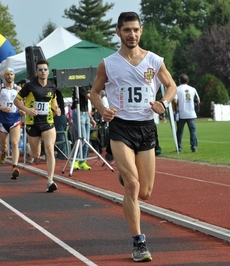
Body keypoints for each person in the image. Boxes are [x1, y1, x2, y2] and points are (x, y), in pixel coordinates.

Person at [89, 12, 177, 262]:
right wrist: (103, 109)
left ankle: (126, 175)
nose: (132, 34)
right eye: (127, 30)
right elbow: (94, 93)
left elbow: (171, 86)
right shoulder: (108, 63)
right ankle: (139, 242)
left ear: (141, 31)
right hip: (120, 128)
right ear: (118, 31)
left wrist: (164, 102)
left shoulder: (154, 60)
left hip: (147, 127)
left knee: (146, 192)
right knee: (133, 185)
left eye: (136, 30)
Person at [14, 59, 61, 192]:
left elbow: (53, 102)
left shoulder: (52, 86)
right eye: (40, 70)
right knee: (36, 155)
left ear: (48, 71)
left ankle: (50, 180)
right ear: (36, 72)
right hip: (32, 123)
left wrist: (57, 109)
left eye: (45, 69)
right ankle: (31, 150)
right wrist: (27, 110)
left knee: (50, 149)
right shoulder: (30, 86)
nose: (43, 72)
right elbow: (16, 100)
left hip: (48, 123)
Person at [0, 68, 23, 179]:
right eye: (7, 74)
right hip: (2, 120)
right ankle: (3, 152)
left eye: (11, 74)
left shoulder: (18, 89)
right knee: (4, 145)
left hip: (15, 119)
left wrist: (22, 110)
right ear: (4, 76)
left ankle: (14, 167)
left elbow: (22, 104)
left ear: (14, 76)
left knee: (15, 143)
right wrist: (2, 108)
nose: (9, 76)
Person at [71, 85, 96, 170]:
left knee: (87, 140)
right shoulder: (79, 86)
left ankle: (83, 161)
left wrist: (91, 118)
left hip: (85, 114)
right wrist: (95, 94)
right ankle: (75, 160)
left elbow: (87, 105)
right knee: (82, 139)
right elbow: (89, 96)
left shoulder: (84, 87)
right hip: (79, 113)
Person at [172, 73, 200, 153]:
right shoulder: (193, 89)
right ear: (187, 80)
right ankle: (194, 146)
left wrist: (177, 105)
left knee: (179, 131)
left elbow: (175, 101)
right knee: (193, 131)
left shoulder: (177, 89)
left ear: (179, 80)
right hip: (191, 113)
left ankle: (179, 147)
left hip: (181, 114)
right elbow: (198, 100)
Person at [54, 87, 68, 159]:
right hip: (63, 116)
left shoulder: (55, 93)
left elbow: (56, 106)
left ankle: (62, 154)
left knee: (60, 135)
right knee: (62, 135)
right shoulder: (59, 92)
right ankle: (64, 153)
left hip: (58, 116)